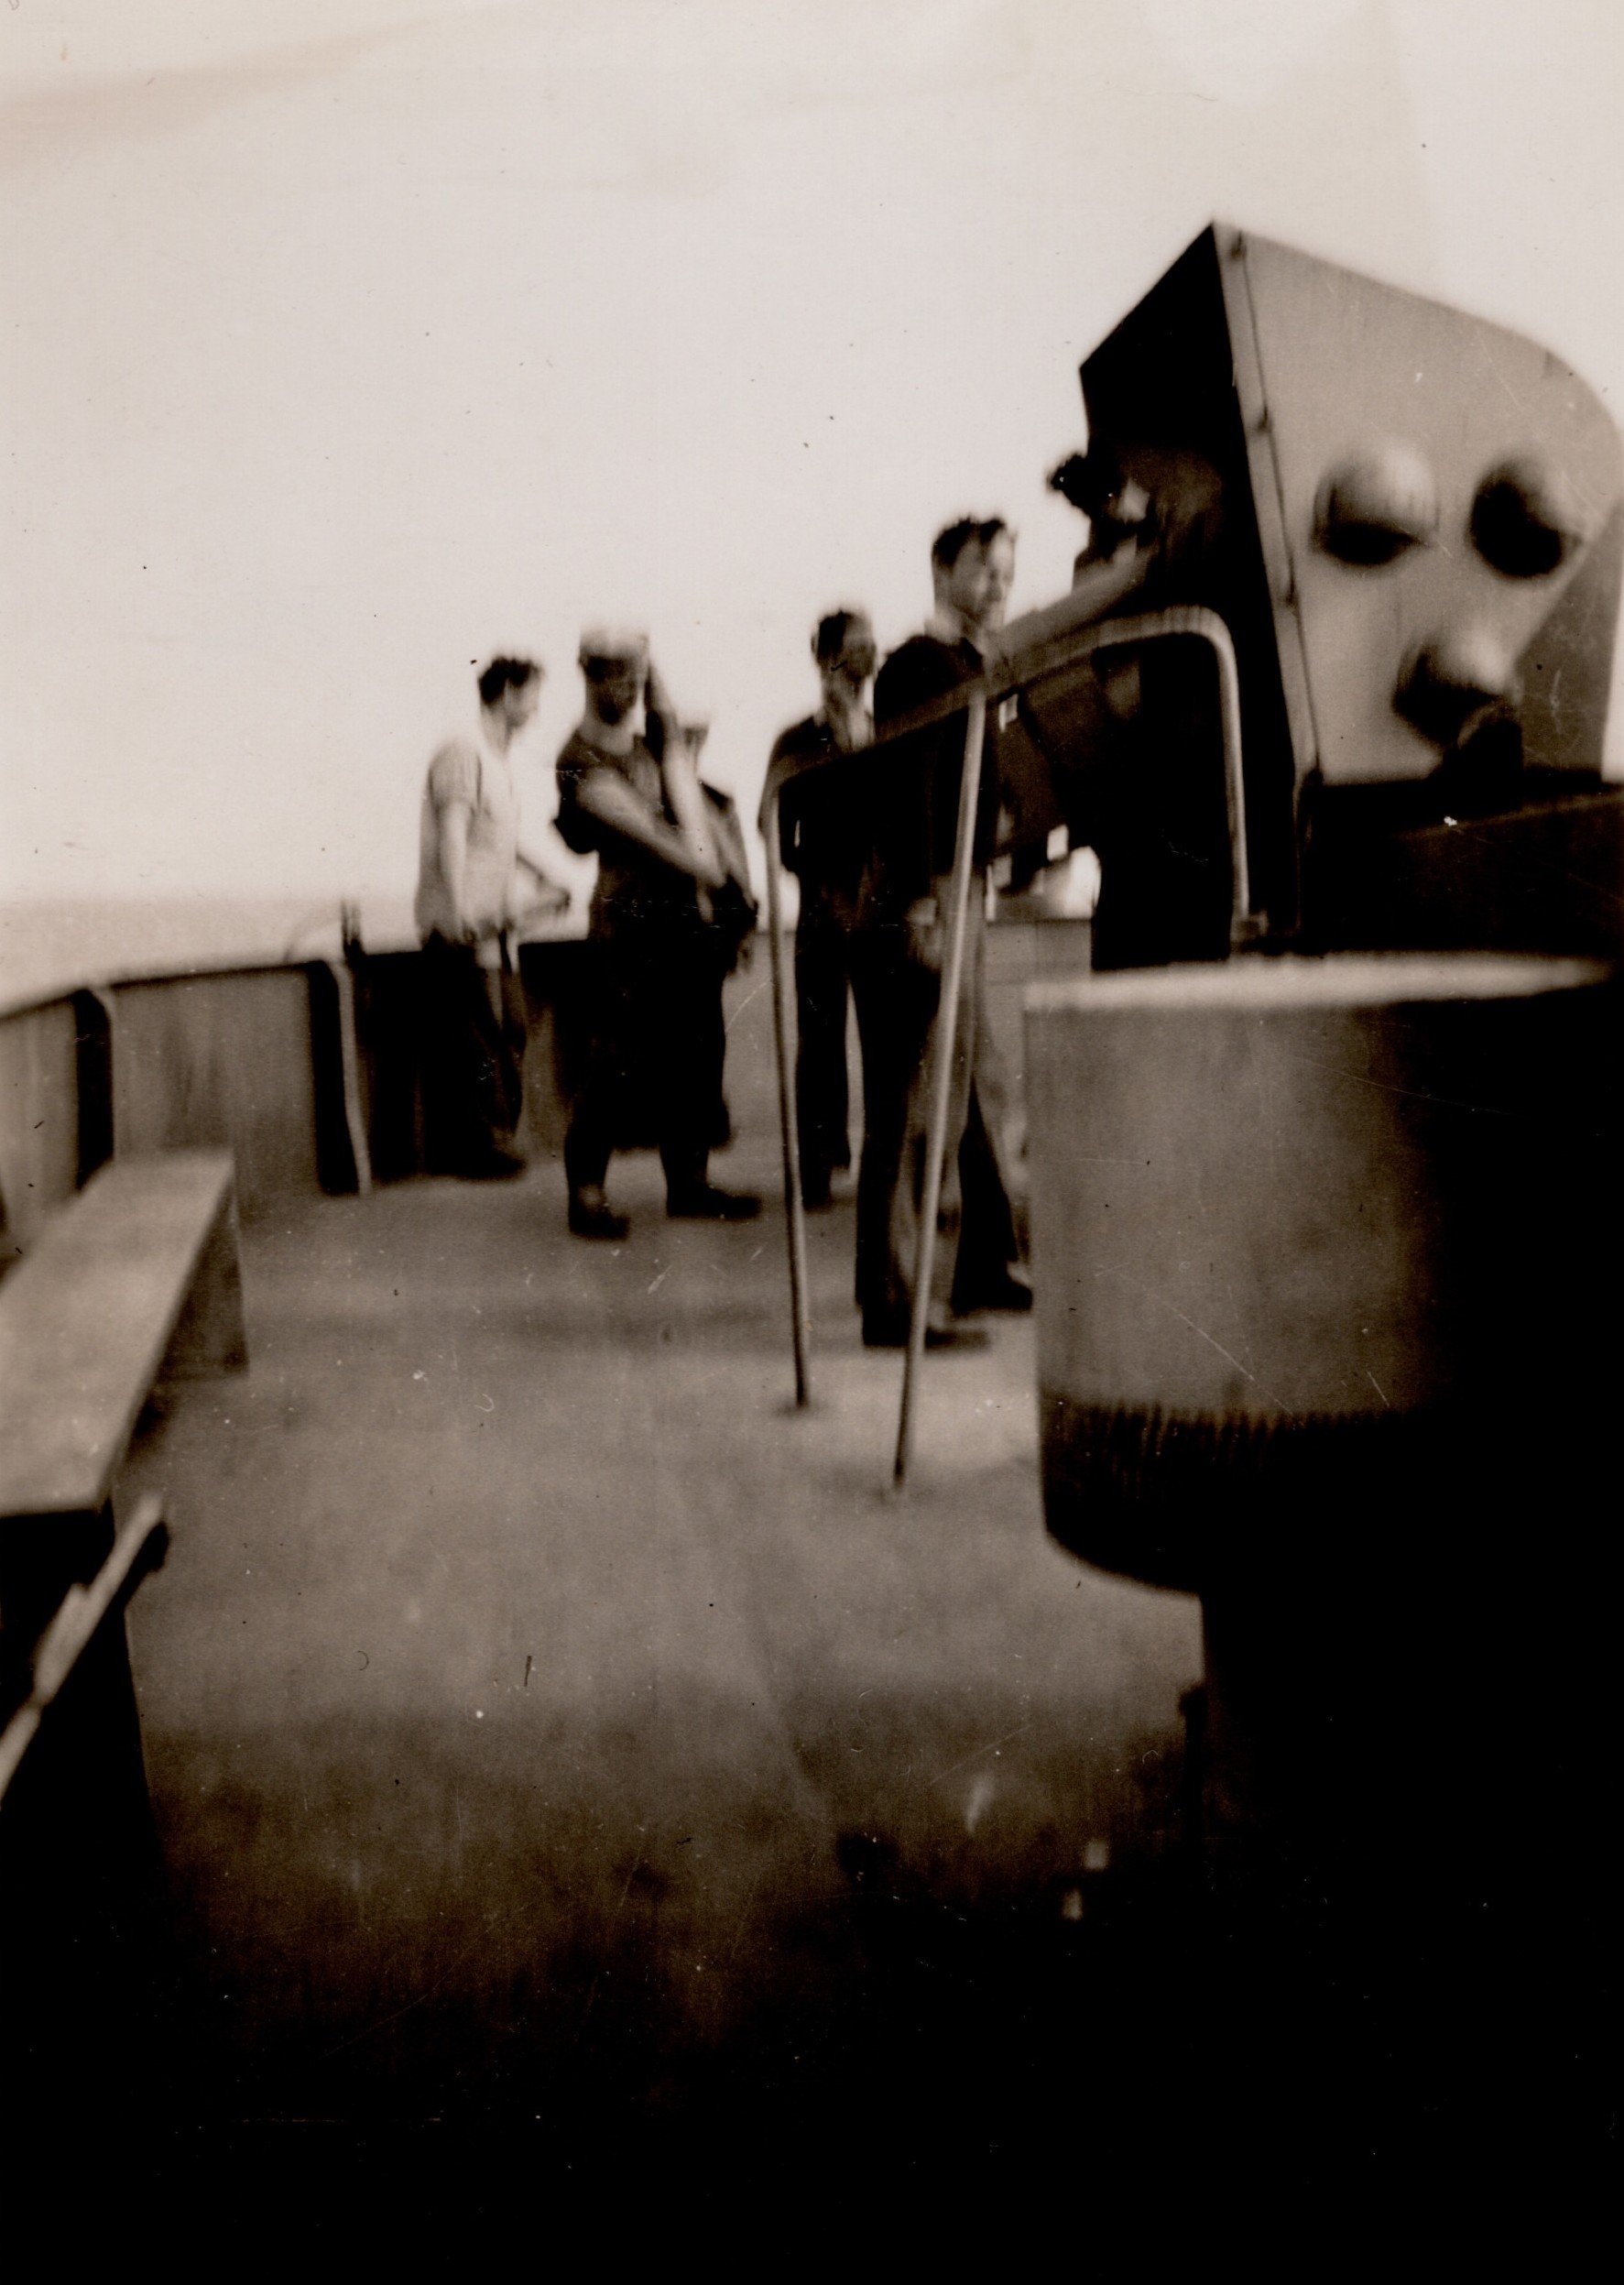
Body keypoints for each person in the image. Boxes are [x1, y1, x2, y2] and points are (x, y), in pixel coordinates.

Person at [853, 518, 1030, 1348]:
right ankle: (896, 1301)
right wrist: (924, 903)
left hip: (961, 889)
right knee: (919, 1108)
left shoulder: (964, 662)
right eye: (982, 568)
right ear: (940, 570)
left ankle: (980, 1266)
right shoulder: (921, 663)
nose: (998, 585)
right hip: (927, 895)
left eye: (1007, 571)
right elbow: (910, 789)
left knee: (971, 1092)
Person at [554, 629, 761, 1239]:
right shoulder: (580, 761)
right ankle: (586, 1193)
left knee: (695, 1055)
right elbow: (670, 843)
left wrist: (731, 906)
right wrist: (712, 870)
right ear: (589, 675)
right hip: (626, 929)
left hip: (682, 927)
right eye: (615, 674)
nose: (627, 686)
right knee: (614, 1061)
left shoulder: (650, 747)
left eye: (636, 675)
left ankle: (689, 1183)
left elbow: (701, 815)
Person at [414, 653, 569, 1179]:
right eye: (532, 697)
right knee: (478, 1040)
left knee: (509, 1031)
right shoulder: (463, 753)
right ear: (507, 693)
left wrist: (546, 876)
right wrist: (457, 908)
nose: (536, 710)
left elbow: (500, 838)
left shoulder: (496, 763)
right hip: (462, 929)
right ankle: (480, 1149)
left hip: (496, 929)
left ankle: (496, 1140)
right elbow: (454, 832)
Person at [763, 607, 877, 1209]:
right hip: (821, 910)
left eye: (871, 645)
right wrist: (819, 884)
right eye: (856, 646)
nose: (868, 657)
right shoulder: (797, 742)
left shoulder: (887, 728)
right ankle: (816, 1167)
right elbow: (774, 829)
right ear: (826, 657)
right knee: (819, 1041)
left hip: (880, 905)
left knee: (886, 1040)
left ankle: (884, 1167)